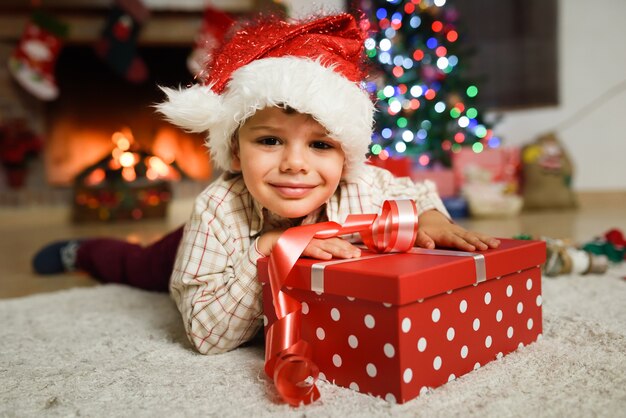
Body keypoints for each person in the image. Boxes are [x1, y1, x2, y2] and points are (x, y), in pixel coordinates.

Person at [33, 12, 500, 355]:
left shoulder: (363, 186)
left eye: (320, 146)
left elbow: (410, 192)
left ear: (347, 155)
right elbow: (206, 336)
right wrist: (271, 249)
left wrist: (431, 214)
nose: (296, 164)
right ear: (236, 152)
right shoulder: (216, 208)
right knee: (136, 265)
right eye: (271, 140)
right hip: (215, 251)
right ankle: (83, 250)